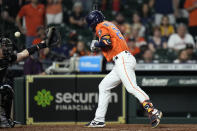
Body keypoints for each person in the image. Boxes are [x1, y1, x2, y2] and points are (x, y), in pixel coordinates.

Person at [85, 10, 162, 128]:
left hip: (122, 60)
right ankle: (99, 119)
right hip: (121, 60)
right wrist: (98, 43)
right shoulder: (109, 24)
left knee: (132, 87)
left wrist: (96, 44)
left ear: (93, 22)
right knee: (104, 86)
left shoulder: (100, 25)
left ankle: (152, 110)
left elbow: (106, 42)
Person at [0, 27, 60, 128]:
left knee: (6, 89)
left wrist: (42, 44)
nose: (6, 49)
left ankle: (4, 120)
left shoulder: (7, 58)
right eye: (3, 47)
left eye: (6, 47)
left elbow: (23, 54)